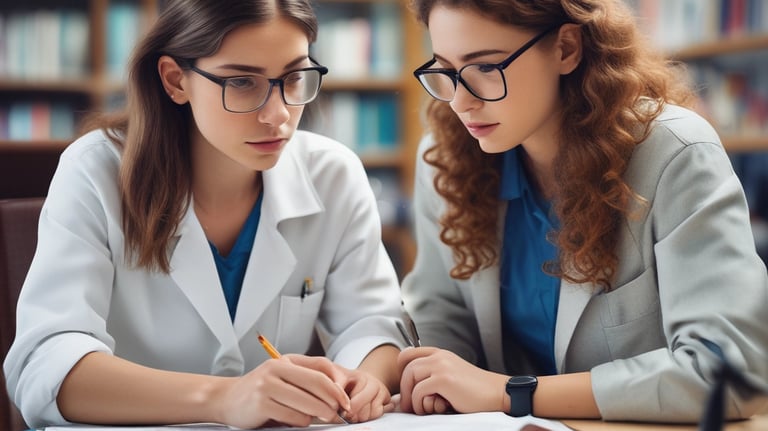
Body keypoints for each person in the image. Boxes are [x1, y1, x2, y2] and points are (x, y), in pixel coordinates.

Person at [3, 0, 407, 428]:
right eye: (241, 82)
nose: (279, 115)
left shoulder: (333, 174)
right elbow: (46, 367)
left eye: (293, 78)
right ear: (176, 81)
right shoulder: (94, 170)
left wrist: (363, 380)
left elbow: (372, 323)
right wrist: (226, 398)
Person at [397, 0, 768, 423]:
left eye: (485, 68)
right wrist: (431, 380)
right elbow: (441, 313)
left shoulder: (675, 153)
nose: (460, 103)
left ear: (566, 49)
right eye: (445, 71)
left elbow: (731, 372)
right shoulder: (445, 159)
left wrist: (507, 394)